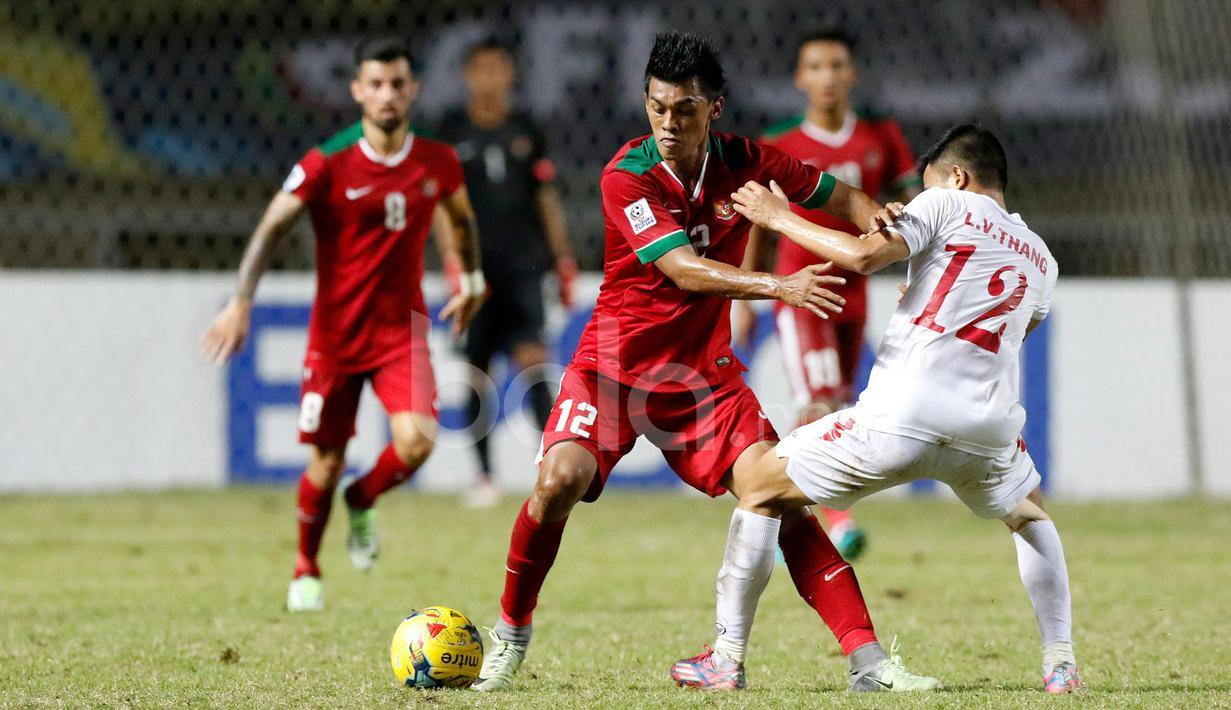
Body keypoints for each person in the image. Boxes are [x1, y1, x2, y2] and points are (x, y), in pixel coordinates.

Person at [474, 31, 938, 694]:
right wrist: (779, 286)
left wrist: (883, 223)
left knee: (777, 499)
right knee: (557, 480)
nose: (668, 123)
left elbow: (841, 198)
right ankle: (511, 636)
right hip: (611, 372)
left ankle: (869, 661)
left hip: (699, 382)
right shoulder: (625, 174)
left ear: (713, 108)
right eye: (656, 107)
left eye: (683, 109)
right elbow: (681, 270)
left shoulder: (746, 160)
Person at [679, 125, 1081, 694]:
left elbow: (865, 256)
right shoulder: (1041, 256)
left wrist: (777, 217)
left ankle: (725, 658)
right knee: (1031, 516)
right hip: (987, 432)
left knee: (760, 489)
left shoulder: (945, 201)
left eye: (930, 184)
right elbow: (1019, 324)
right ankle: (1060, 662)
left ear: (958, 178)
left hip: (901, 418)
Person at [201, 37, 485, 612]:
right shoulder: (327, 161)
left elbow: (461, 216)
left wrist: (472, 277)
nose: (387, 94)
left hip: (400, 331)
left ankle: (364, 497)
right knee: (325, 462)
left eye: (397, 83)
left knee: (417, 442)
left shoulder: (437, 161)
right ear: (357, 90)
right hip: (334, 338)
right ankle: (306, 566)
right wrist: (240, 300)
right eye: (375, 84)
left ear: (414, 89)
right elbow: (271, 225)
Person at [734, 29, 922, 561]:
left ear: (852, 74)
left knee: (834, 403)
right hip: (801, 289)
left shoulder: (881, 137)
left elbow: (915, 207)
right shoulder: (780, 143)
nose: (827, 77)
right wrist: (750, 297)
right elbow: (760, 225)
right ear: (800, 79)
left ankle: (785, 508)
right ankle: (838, 517)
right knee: (816, 397)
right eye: (815, 67)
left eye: (837, 65)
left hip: (855, 294)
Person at [433, 38, 577, 510]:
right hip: (476, 271)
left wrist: (562, 258)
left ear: (511, 76)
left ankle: (553, 468)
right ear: (467, 76)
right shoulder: (450, 132)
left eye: (500, 69)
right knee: (476, 370)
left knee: (534, 362)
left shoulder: (526, 130)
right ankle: (484, 478)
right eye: (482, 70)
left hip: (524, 265)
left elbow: (545, 197)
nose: (491, 79)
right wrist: (453, 262)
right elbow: (440, 205)